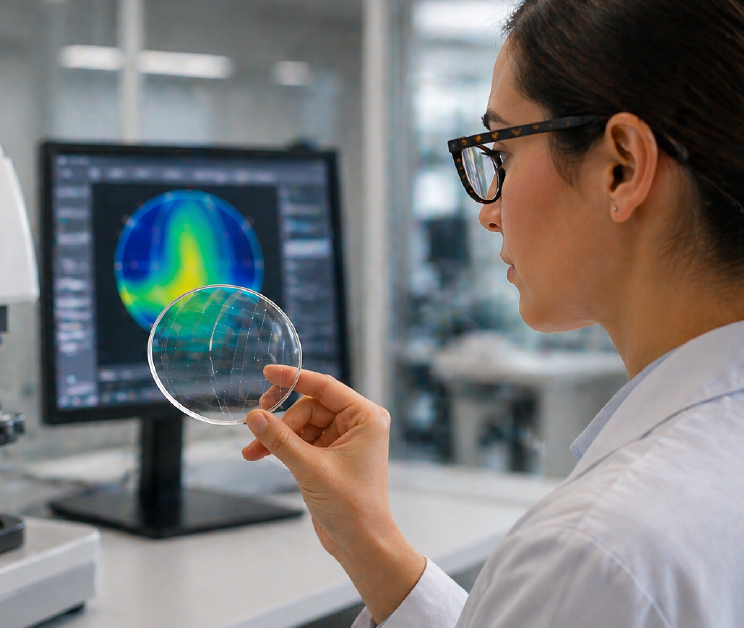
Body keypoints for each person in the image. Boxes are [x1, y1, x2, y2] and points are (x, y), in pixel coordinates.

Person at [242, 0, 744, 626]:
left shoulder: (595, 553)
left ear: (623, 168)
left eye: (502, 154)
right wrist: (367, 541)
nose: (488, 211)